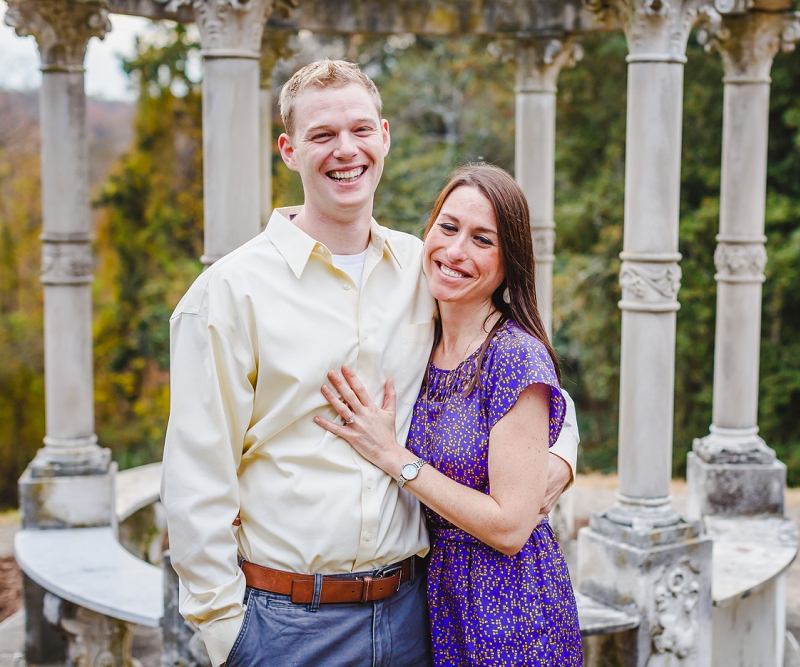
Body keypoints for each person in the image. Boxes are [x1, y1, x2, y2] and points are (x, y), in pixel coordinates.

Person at [160, 60, 579, 667]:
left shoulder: (425, 269)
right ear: (289, 150)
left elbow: (515, 366)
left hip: (415, 615)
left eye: (360, 130)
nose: (345, 150)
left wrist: (561, 456)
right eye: (322, 135)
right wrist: (229, 632)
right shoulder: (228, 293)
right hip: (285, 624)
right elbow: (196, 479)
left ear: (384, 137)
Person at [315, 163, 584, 666]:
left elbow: (510, 528)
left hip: (511, 608)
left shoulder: (512, 356)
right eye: (449, 227)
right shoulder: (420, 334)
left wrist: (395, 457)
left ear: (510, 262)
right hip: (435, 599)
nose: (456, 252)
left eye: (483, 240)